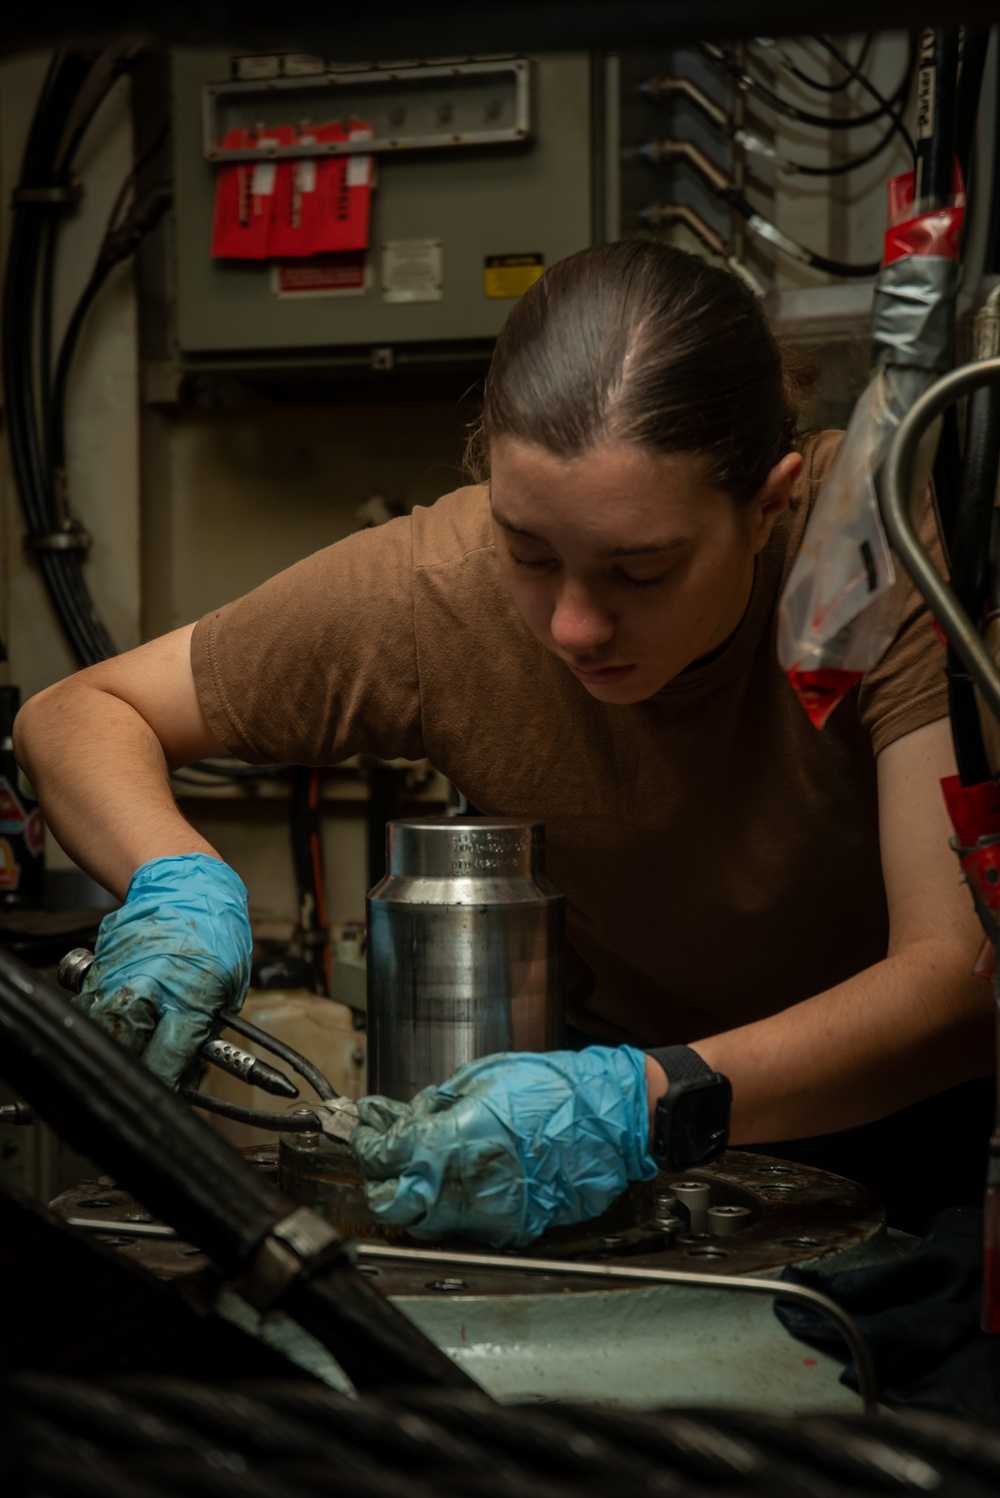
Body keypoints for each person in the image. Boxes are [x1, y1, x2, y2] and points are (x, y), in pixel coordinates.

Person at [14, 240, 993, 1245]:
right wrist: (176, 879)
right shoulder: (439, 584)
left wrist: (650, 1101)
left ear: (768, 507)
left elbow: (960, 974)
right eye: (530, 552)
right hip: (572, 1127)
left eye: (640, 570)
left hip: (903, 1132)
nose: (573, 623)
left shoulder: (879, 557)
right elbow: (78, 712)